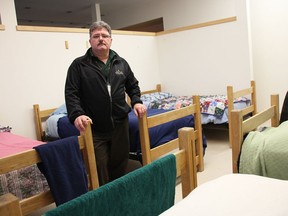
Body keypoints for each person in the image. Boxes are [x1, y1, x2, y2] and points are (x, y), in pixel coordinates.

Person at [65, 20, 147, 185]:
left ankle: (117, 196)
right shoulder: (78, 65)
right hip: (95, 127)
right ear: (90, 41)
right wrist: (77, 114)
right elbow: (71, 93)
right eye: (96, 36)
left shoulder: (121, 63)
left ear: (110, 40)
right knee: (98, 166)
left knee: (119, 163)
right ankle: (103, 201)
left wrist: (136, 101)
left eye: (104, 35)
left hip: (120, 124)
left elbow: (133, 85)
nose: (100, 39)